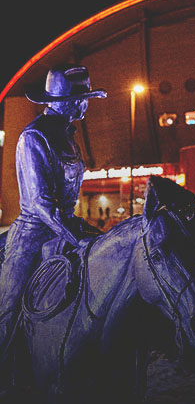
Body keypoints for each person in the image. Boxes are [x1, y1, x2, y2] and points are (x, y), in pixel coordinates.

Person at [0, 64, 106, 368]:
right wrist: (76, 240)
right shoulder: (34, 137)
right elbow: (42, 205)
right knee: (7, 309)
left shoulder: (67, 137)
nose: (85, 104)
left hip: (67, 225)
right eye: (81, 98)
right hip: (33, 233)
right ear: (63, 101)